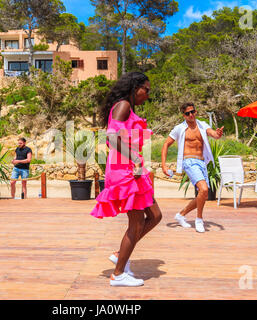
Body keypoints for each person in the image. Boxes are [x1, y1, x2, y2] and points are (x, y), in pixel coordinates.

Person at [90, 72, 162, 287]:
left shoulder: (126, 107)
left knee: (155, 215)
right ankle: (118, 274)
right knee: (137, 221)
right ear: (134, 87)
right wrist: (135, 160)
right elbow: (112, 138)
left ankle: (120, 254)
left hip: (131, 167)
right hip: (125, 170)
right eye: (145, 90)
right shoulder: (123, 105)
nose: (147, 94)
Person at [161, 102, 224, 233]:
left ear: (195, 112)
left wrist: (218, 134)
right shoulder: (179, 128)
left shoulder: (202, 125)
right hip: (188, 161)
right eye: (187, 113)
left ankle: (181, 215)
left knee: (204, 194)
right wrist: (163, 165)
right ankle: (199, 219)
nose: (191, 115)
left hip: (201, 162)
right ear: (183, 115)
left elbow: (213, 134)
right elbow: (166, 144)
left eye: (192, 112)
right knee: (204, 189)